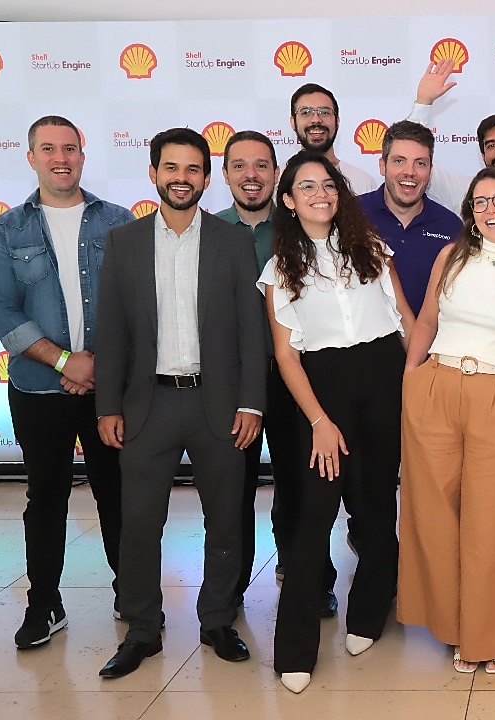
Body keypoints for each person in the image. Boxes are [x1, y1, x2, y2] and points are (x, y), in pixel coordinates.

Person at [95, 127, 266, 679]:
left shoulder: (232, 241)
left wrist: (252, 404)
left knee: (226, 523)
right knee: (140, 524)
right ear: (153, 173)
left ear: (206, 179)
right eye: (171, 168)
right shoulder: (123, 242)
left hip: (217, 406)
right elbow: (113, 332)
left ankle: (217, 620)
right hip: (148, 406)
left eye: (193, 170)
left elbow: (251, 332)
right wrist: (106, 406)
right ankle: (143, 628)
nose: (182, 179)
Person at [262, 151, 415, 693]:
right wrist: (320, 421)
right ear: (288, 200)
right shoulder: (281, 268)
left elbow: (404, 321)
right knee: (314, 518)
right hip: (322, 390)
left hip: (383, 377)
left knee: (376, 507)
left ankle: (369, 613)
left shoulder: (372, 248)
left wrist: (423, 383)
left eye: (328, 185)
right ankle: (295, 648)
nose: (320, 195)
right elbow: (286, 356)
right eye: (307, 187)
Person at [0, 115, 132, 649]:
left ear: (83, 155)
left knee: (117, 495)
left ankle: (130, 596)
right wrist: (65, 361)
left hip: (108, 389)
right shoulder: (7, 229)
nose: (60, 157)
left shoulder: (117, 221)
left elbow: (135, 306)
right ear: (32, 157)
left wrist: (96, 367)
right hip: (37, 390)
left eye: (70, 148)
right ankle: (45, 604)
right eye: (48, 149)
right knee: (46, 498)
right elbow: (0, 309)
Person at [398, 168, 495, 675]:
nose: (491, 209)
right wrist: (411, 380)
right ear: (470, 210)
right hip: (437, 387)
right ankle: (455, 627)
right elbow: (426, 320)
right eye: (481, 201)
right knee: (437, 516)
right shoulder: (451, 256)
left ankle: (493, 635)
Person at [213, 130, 308, 605]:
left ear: (276, 173)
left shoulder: (300, 228)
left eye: (262, 165)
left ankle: (305, 576)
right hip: (230, 383)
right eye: (240, 166)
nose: (252, 175)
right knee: (234, 489)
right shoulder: (208, 232)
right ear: (226, 174)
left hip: (293, 376)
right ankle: (231, 591)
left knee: (298, 486)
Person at [356, 121, 461, 317]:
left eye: (420, 163)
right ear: (382, 165)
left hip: (431, 345)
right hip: (364, 345)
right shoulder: (352, 215)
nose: (409, 172)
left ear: (430, 169)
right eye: (399, 161)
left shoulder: (451, 227)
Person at [289, 83, 378, 194]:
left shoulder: (363, 183)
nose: (316, 119)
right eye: (306, 112)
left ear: (337, 121)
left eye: (324, 112)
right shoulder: (278, 179)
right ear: (293, 122)